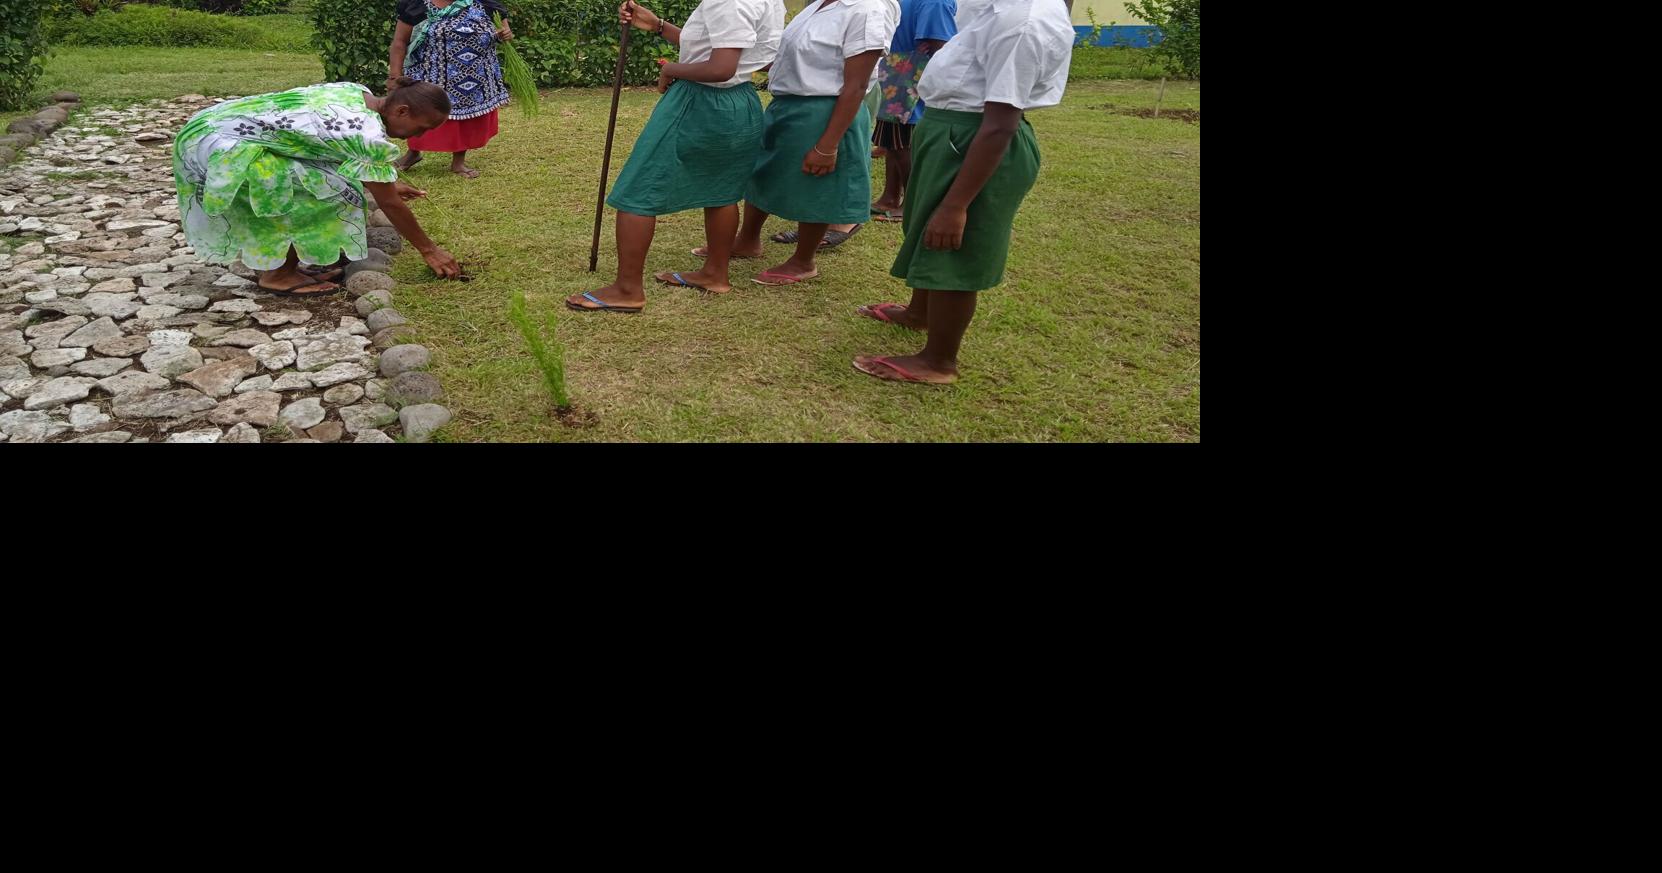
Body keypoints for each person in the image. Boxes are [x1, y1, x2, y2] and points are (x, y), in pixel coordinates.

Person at [852, 0, 1074, 384]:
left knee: (953, 244)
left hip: (976, 138)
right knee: (926, 229)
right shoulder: (996, 7)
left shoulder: (1025, 20)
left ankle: (939, 361)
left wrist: (957, 205)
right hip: (952, 131)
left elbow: (1001, 123)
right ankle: (919, 313)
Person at [567, 0, 785, 313]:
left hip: (700, 101)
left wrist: (671, 68)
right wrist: (659, 26)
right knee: (722, 190)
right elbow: (725, 49)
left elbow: (721, 67)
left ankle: (627, 289)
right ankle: (714, 273)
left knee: (638, 189)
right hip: (740, 101)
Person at [173, 79, 463, 297]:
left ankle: (285, 262)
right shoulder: (366, 133)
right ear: (401, 110)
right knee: (321, 190)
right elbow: (388, 204)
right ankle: (278, 274)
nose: (421, 135)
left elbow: (325, 144)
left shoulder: (357, 91)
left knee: (330, 181)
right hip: (216, 144)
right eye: (422, 127)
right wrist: (430, 250)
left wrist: (389, 183)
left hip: (214, 123)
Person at [718, 0, 899, 286]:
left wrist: (827, 145)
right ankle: (747, 241)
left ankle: (803, 260)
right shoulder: (819, 4)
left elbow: (856, 85)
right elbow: (791, 58)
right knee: (765, 171)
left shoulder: (867, 9)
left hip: (825, 109)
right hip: (789, 105)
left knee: (817, 182)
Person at [388, 0, 514, 178]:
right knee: (419, 112)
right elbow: (399, 43)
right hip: (429, 74)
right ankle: (413, 153)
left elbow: (504, 33)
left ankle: (458, 162)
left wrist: (505, 35)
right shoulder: (417, 5)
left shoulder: (485, 4)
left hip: (472, 77)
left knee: (464, 118)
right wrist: (394, 76)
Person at [869, 0, 957, 223]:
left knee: (904, 143)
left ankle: (913, 202)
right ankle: (890, 196)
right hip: (894, 69)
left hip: (910, 73)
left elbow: (941, 45)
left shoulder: (934, 2)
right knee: (892, 140)